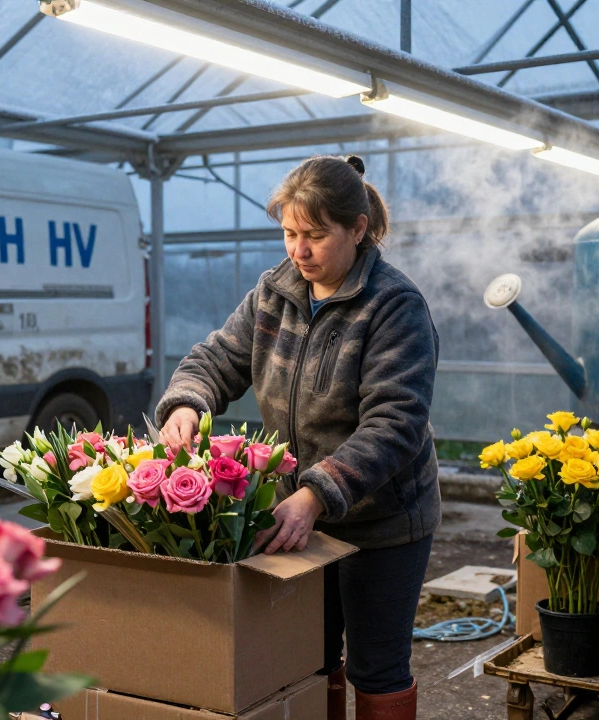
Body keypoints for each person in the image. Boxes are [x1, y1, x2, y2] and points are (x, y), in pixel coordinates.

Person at [156, 155, 441, 720]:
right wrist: (188, 402)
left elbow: (395, 423)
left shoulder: (394, 305)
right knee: (308, 658)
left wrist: (314, 494)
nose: (298, 251)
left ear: (358, 229)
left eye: (315, 235)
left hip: (381, 521)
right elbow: (216, 359)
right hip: (300, 514)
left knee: (376, 666)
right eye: (289, 233)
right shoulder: (275, 292)